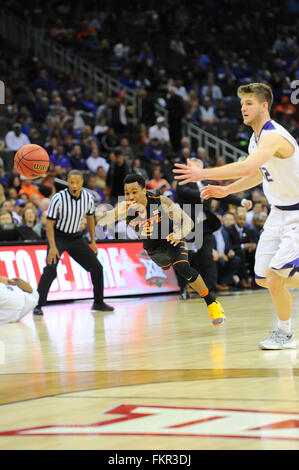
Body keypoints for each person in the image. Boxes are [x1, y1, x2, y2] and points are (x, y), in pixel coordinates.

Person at [173, 82, 299, 350]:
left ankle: (285, 334)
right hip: (278, 213)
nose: (243, 107)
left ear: (264, 106)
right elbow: (255, 174)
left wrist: (203, 173)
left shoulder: (273, 135)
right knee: (264, 278)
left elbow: (248, 165)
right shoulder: (256, 138)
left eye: (249, 103)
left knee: (276, 278)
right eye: (241, 103)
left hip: (297, 215)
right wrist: (226, 190)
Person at [97, 173, 226, 327]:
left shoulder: (160, 201)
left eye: (134, 192)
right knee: (166, 266)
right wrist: (110, 212)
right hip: (153, 249)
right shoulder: (124, 208)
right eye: (127, 193)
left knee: (182, 267)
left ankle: (212, 303)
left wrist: (179, 234)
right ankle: (170, 266)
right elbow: (103, 221)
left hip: (171, 239)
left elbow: (188, 222)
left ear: (144, 190)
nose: (130, 196)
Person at [33, 170, 114, 316]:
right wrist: (52, 247)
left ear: (82, 183)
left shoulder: (88, 198)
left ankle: (98, 302)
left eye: (77, 182)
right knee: (50, 270)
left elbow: (90, 219)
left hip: (76, 238)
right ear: (68, 182)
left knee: (97, 268)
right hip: (58, 237)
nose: (74, 185)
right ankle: (37, 305)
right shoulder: (58, 198)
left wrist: (93, 242)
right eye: (71, 182)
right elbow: (49, 224)